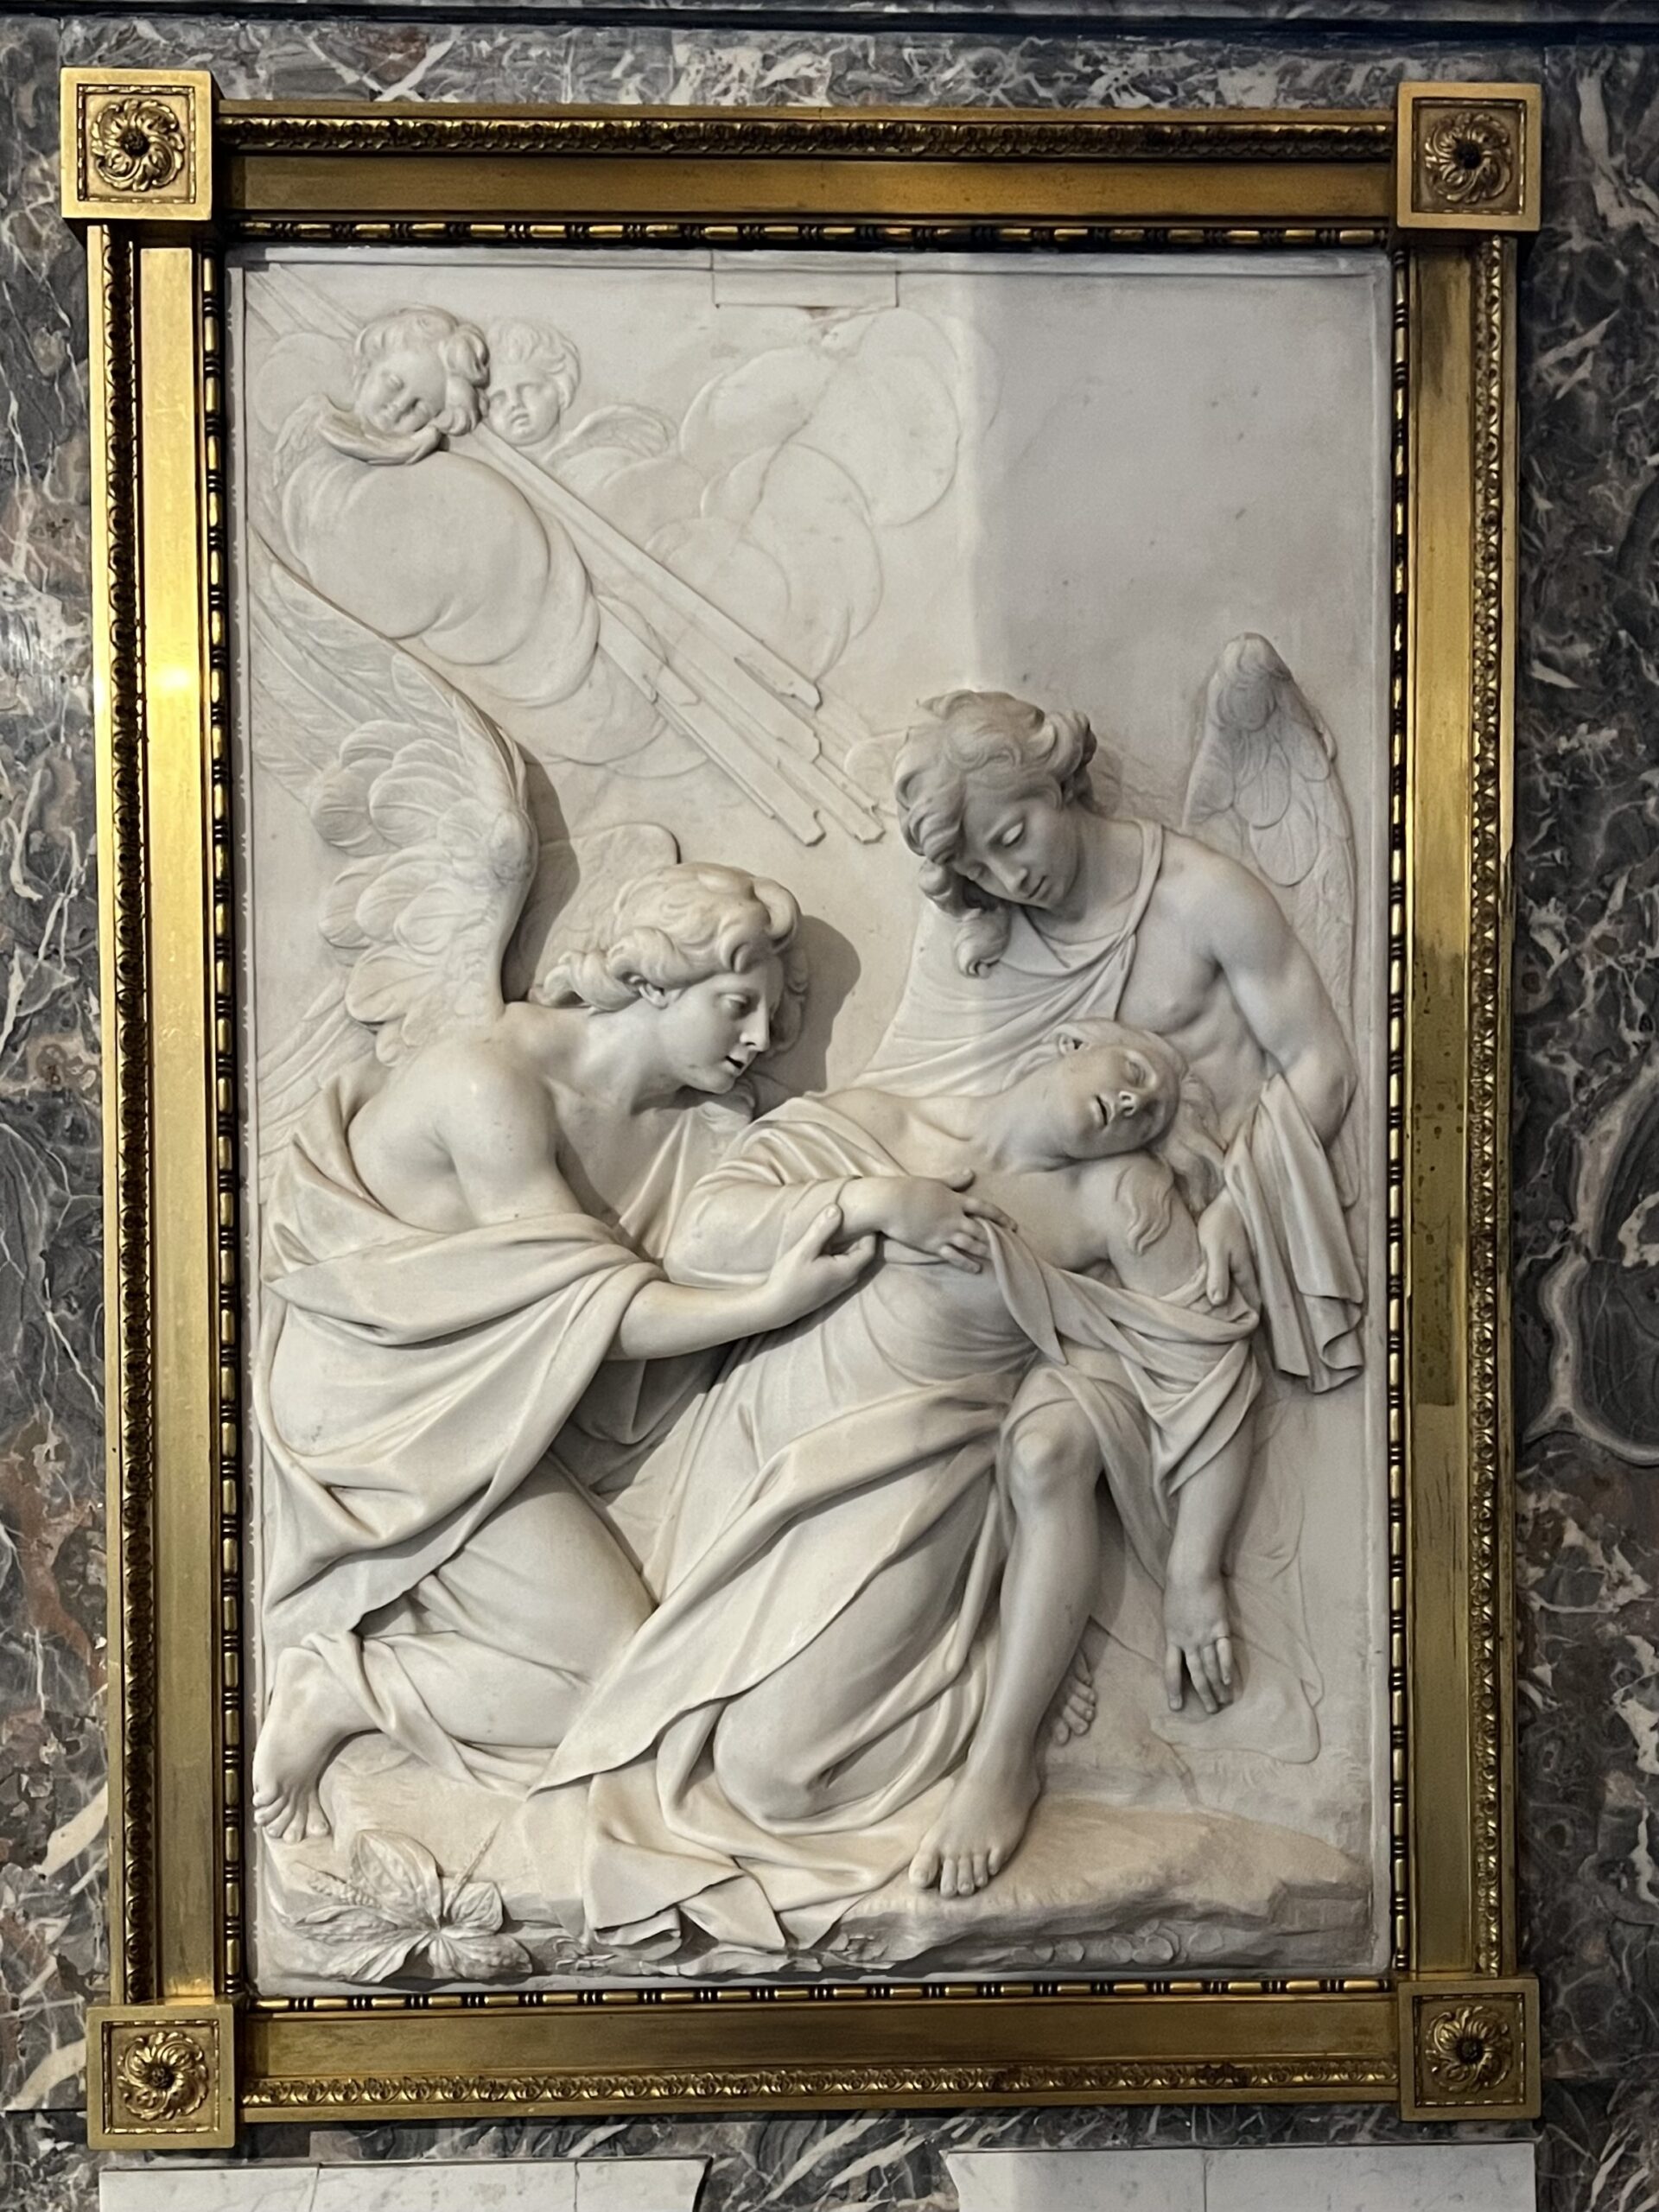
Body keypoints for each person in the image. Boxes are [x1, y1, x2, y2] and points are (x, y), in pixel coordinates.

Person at [543, 1022, 1268, 1956]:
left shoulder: (1117, 1195)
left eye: (1151, 1110)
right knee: (674, 1736)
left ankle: (1003, 1746)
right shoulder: (882, 1122)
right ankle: (1007, 1651)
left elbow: (1209, 1367)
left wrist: (1197, 1571)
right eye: (1133, 1071)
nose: (1133, 1101)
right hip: (765, 1456)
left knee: (772, 1777)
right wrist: (875, 1201)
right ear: (1068, 1040)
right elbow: (703, 1237)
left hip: (917, 1470)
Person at [251, 865, 878, 1843]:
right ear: (654, 984)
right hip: (380, 1411)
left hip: (505, 1407)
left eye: (771, 1012)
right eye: (736, 1005)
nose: (763, 1037)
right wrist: (771, 1302)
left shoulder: (697, 1130)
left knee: (653, 1654)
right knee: (620, 1676)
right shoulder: (490, 1082)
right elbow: (592, 1309)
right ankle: (340, 1688)